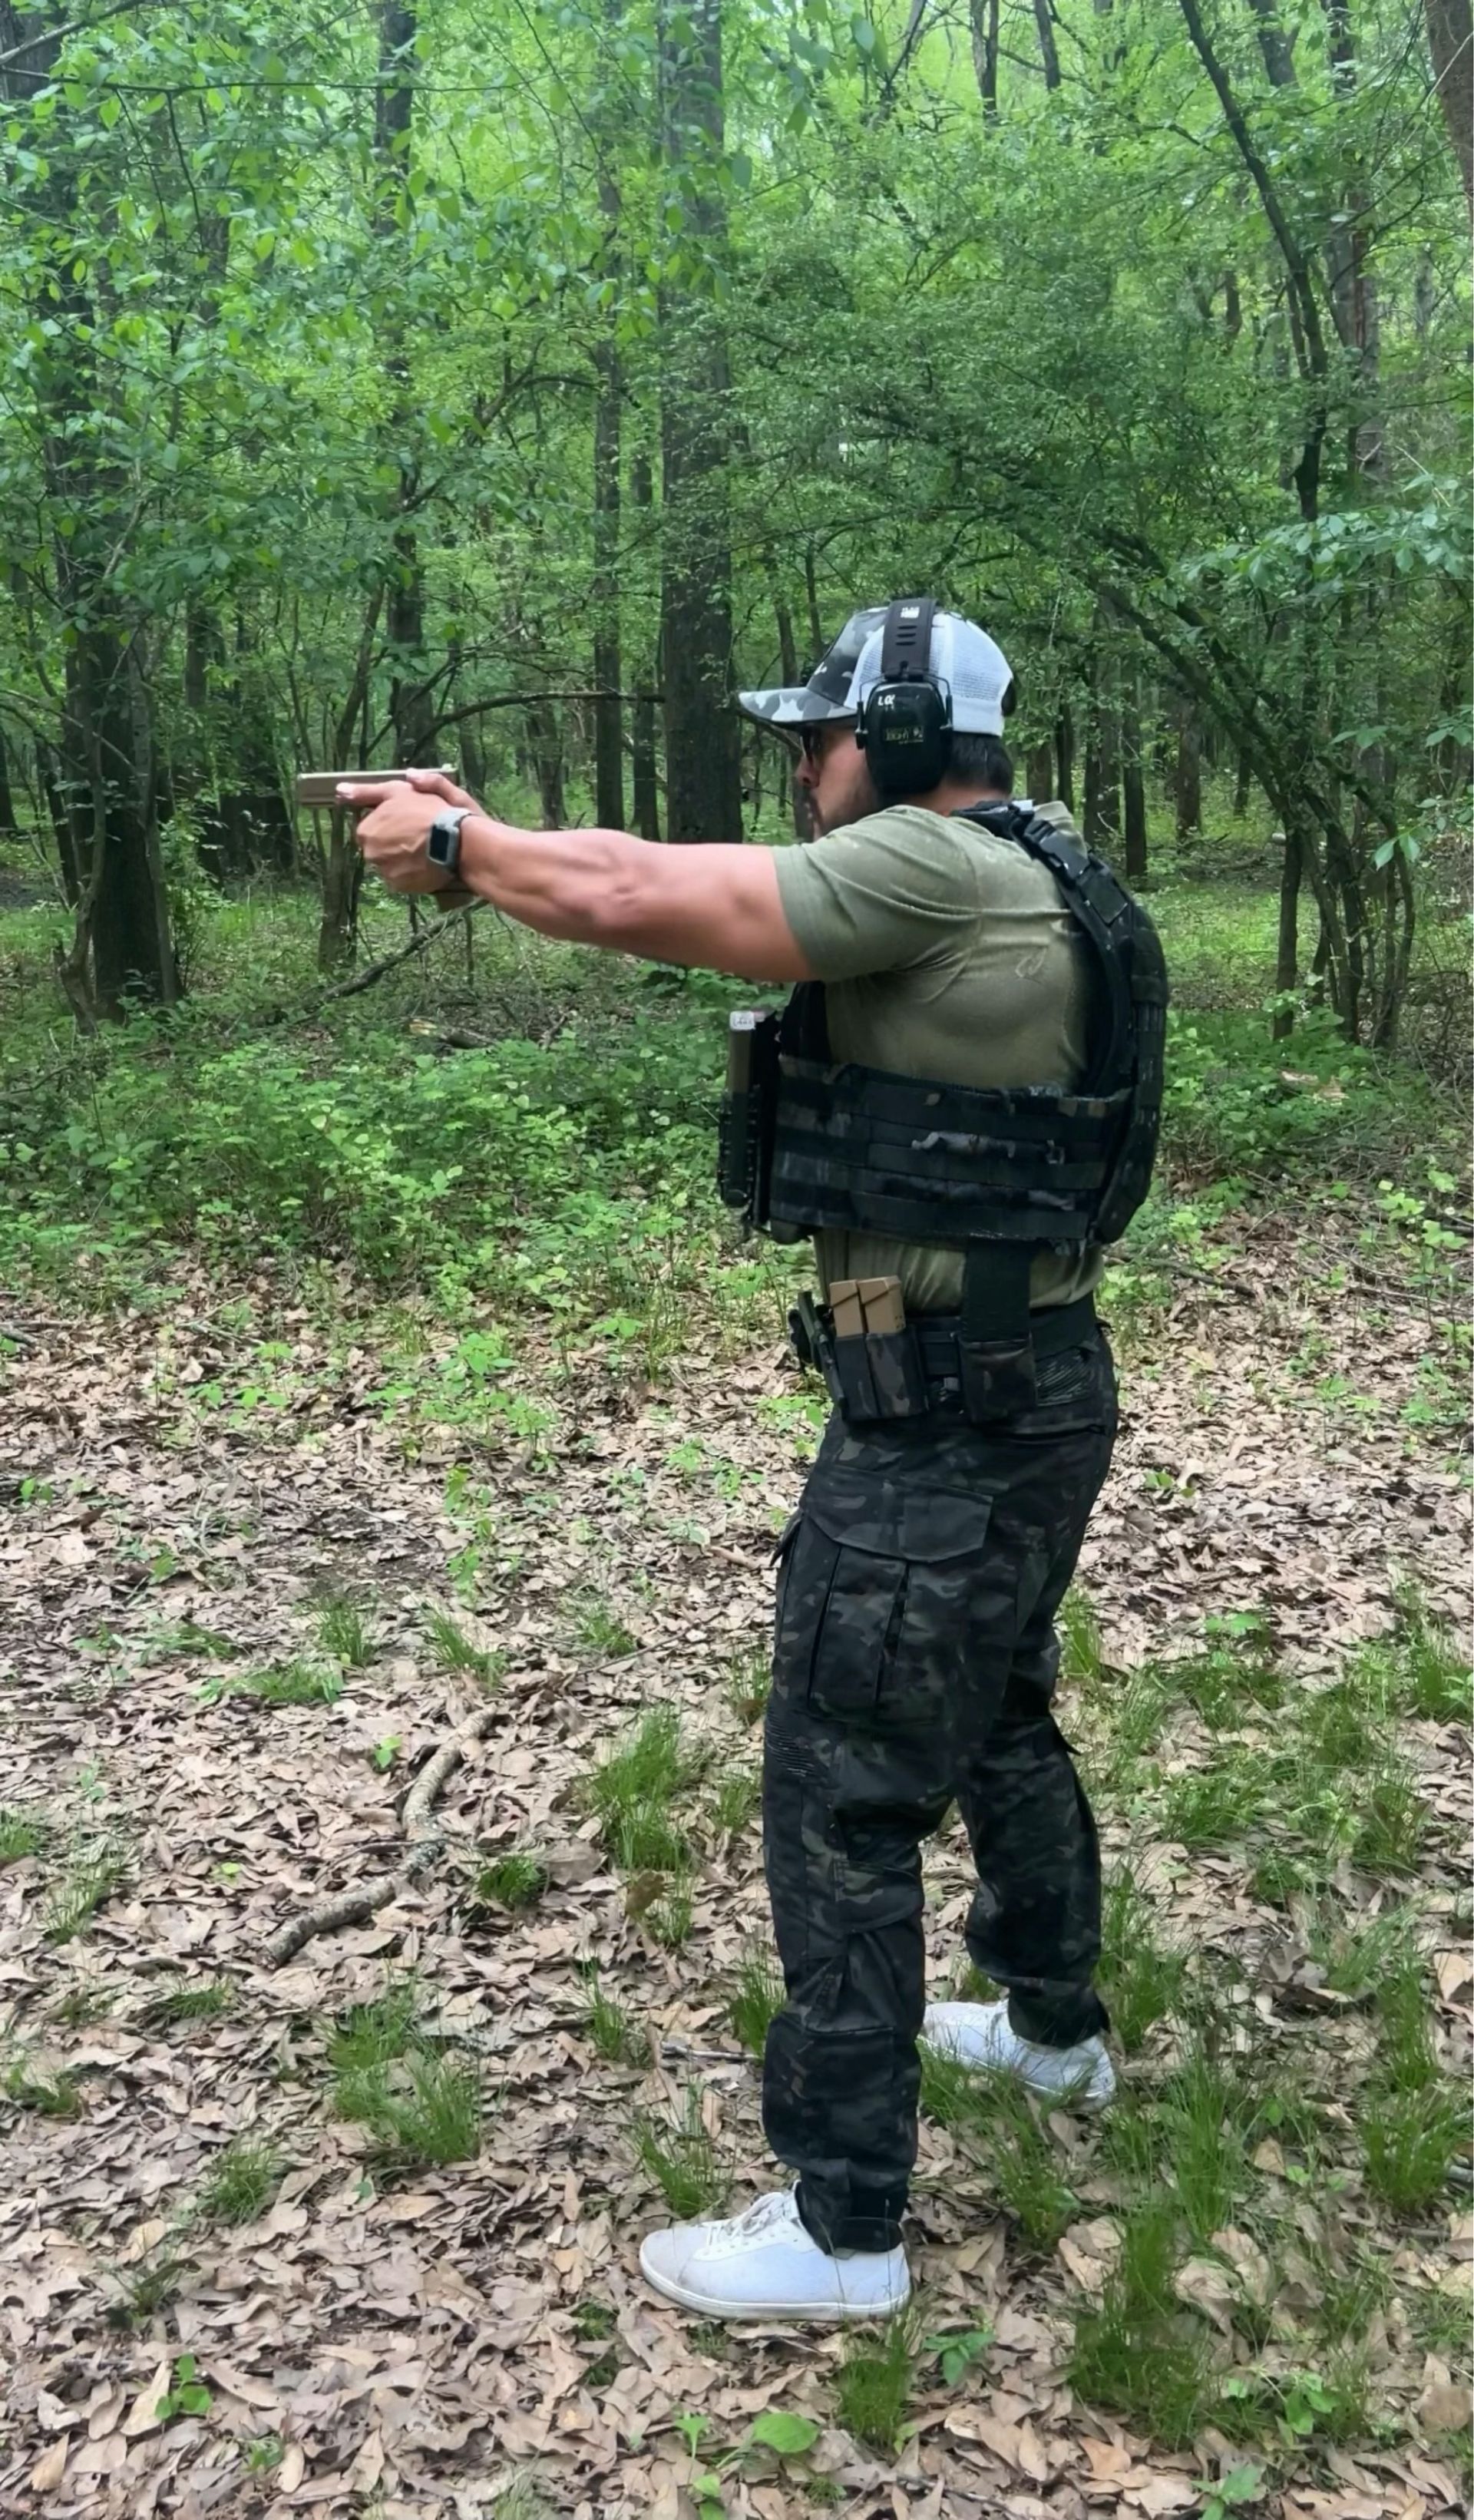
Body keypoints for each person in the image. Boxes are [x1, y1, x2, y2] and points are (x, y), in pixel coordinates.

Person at [340, 598, 1165, 2327]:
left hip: (940, 1418)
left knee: (839, 1784)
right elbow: (640, 856)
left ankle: (844, 2227)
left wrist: (466, 850)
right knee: (999, 1707)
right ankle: (1050, 2024)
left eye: (825, 738)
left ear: (916, 745)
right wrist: (485, 836)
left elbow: (656, 898)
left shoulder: (926, 869)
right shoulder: (1041, 859)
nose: (804, 767)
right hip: (1031, 1387)